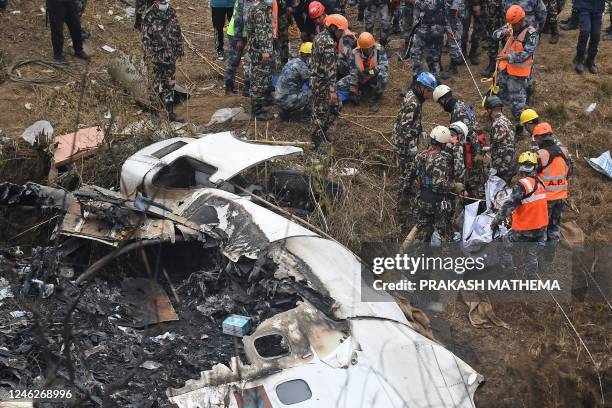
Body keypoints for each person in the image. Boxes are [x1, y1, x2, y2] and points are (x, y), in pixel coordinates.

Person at [402, 126, 463, 242]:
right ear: (443, 143)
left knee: (424, 232)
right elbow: (438, 184)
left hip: (422, 200)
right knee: (445, 234)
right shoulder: (440, 160)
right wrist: (454, 186)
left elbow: (409, 176)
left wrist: (406, 193)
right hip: (437, 203)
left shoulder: (421, 156)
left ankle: (419, 257)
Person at [491, 151, 548, 276]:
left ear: (521, 167)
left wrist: (495, 221)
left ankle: (509, 277)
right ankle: (531, 283)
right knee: (531, 253)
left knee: (503, 245)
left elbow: (508, 205)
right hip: (541, 227)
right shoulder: (540, 183)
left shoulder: (523, 184)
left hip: (526, 228)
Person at [433, 85, 487, 198]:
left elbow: (460, 139)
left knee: (474, 183)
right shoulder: (461, 105)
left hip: (471, 151)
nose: (441, 106)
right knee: (478, 179)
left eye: (440, 103)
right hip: (476, 147)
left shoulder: (458, 112)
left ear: (443, 99)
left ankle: (478, 204)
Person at [393, 71, 437, 204]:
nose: (429, 95)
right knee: (407, 169)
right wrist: (411, 145)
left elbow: (412, 121)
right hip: (404, 142)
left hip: (406, 138)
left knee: (409, 168)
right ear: (421, 87)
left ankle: (407, 189)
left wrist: (420, 130)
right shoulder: (413, 102)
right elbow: (404, 127)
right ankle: (402, 200)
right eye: (429, 91)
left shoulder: (414, 95)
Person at [493, 5, 538, 125]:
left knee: (517, 104)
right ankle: (499, 124)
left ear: (521, 20)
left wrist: (509, 57)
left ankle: (519, 129)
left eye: (514, 24)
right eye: (510, 24)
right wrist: (503, 32)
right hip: (504, 70)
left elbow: (527, 54)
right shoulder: (510, 25)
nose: (512, 26)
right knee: (499, 98)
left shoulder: (531, 33)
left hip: (518, 75)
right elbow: (494, 34)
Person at [141, 0, 184, 122]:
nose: (164, 2)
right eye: (161, 1)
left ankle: (170, 112)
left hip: (170, 57)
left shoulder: (171, 12)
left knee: (169, 85)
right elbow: (145, 40)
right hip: (155, 58)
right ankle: (154, 114)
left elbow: (177, 32)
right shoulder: (149, 16)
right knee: (154, 86)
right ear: (155, 1)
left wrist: (179, 51)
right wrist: (149, 58)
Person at [310, 14, 348, 149]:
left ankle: (323, 131)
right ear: (333, 28)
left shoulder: (319, 36)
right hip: (322, 83)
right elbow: (330, 69)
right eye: (340, 31)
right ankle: (315, 144)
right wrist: (332, 91)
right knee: (320, 113)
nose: (341, 34)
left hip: (319, 80)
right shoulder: (328, 43)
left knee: (336, 107)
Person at [532, 122, 572, 247]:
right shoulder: (565, 151)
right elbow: (570, 171)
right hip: (561, 197)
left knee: (541, 227)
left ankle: (540, 256)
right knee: (554, 226)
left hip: (545, 198)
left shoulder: (540, 155)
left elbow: (531, 177)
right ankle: (551, 253)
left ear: (538, 138)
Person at [337, 32, 389, 112]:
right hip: (361, 76)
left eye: (369, 47)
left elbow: (384, 66)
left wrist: (372, 71)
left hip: (373, 75)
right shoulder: (355, 53)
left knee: (383, 76)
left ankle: (375, 99)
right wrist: (353, 89)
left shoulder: (379, 50)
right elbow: (353, 72)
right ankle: (362, 90)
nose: (368, 50)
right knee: (340, 84)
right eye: (365, 48)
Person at [246, 0, 274, 120]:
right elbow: (261, 32)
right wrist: (265, 51)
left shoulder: (260, 8)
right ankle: (257, 112)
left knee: (260, 77)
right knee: (259, 79)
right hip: (259, 51)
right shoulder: (260, 11)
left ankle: (259, 106)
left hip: (256, 49)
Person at [410, 0, 450, 79]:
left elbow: (446, 14)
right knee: (416, 55)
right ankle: (417, 81)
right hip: (422, 30)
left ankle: (434, 81)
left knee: (433, 57)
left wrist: (448, 28)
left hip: (434, 31)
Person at [225, 0, 256, 94]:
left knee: (251, 59)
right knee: (234, 60)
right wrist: (238, 39)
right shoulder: (241, 2)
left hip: (249, 34)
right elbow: (238, 19)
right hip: (236, 34)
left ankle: (247, 88)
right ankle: (229, 88)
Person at [275, 42, 313, 119]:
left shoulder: (292, 61)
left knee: (295, 89)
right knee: (313, 92)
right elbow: (312, 85)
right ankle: (306, 115)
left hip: (279, 98)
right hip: (288, 100)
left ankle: (286, 112)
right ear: (306, 55)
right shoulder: (302, 66)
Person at [484, 94, 516, 183]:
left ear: (489, 110)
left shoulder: (497, 124)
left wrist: (494, 167)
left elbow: (500, 148)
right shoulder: (506, 120)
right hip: (511, 162)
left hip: (503, 166)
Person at [574, 0, 605, 74]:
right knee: (585, 31)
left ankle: (590, 60)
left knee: (596, 34)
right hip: (584, 6)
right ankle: (580, 59)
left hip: (598, 8)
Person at [442, 0, 466, 78]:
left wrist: (454, 9)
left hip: (453, 18)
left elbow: (454, 11)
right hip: (444, 13)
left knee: (454, 42)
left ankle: (454, 67)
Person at [462, 0, 482, 65]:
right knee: (463, 29)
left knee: (478, 29)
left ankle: (473, 53)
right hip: (465, 3)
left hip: (479, 3)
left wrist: (476, 3)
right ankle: (463, 53)